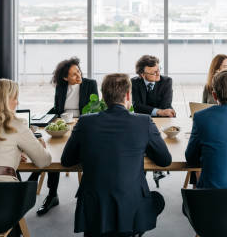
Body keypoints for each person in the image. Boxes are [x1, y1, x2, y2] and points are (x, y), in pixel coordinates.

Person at [61, 73, 171, 236]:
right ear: (127, 95)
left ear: (103, 96)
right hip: (130, 205)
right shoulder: (143, 122)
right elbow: (164, 160)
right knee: (157, 200)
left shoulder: (84, 122)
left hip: (94, 207)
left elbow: (67, 160)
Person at [30, 57, 99, 216]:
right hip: (62, 126)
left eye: (79, 71)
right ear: (65, 77)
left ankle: (87, 194)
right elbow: (57, 108)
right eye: (74, 74)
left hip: (83, 127)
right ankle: (52, 195)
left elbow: (95, 109)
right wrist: (39, 119)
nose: (79, 75)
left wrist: (79, 122)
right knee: (52, 152)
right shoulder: (61, 87)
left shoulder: (90, 84)